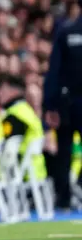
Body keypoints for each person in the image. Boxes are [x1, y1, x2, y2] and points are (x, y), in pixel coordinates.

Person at [43, 11, 82, 209]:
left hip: (65, 103)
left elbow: (54, 71)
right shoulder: (65, 33)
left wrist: (49, 104)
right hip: (71, 103)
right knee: (64, 153)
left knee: (64, 153)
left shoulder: (66, 33)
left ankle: (64, 198)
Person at [0, 74, 47, 180]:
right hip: (37, 172)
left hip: (24, 175)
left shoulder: (15, 115)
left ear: (15, 91)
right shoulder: (26, 110)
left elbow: (8, 147)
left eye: (2, 90)